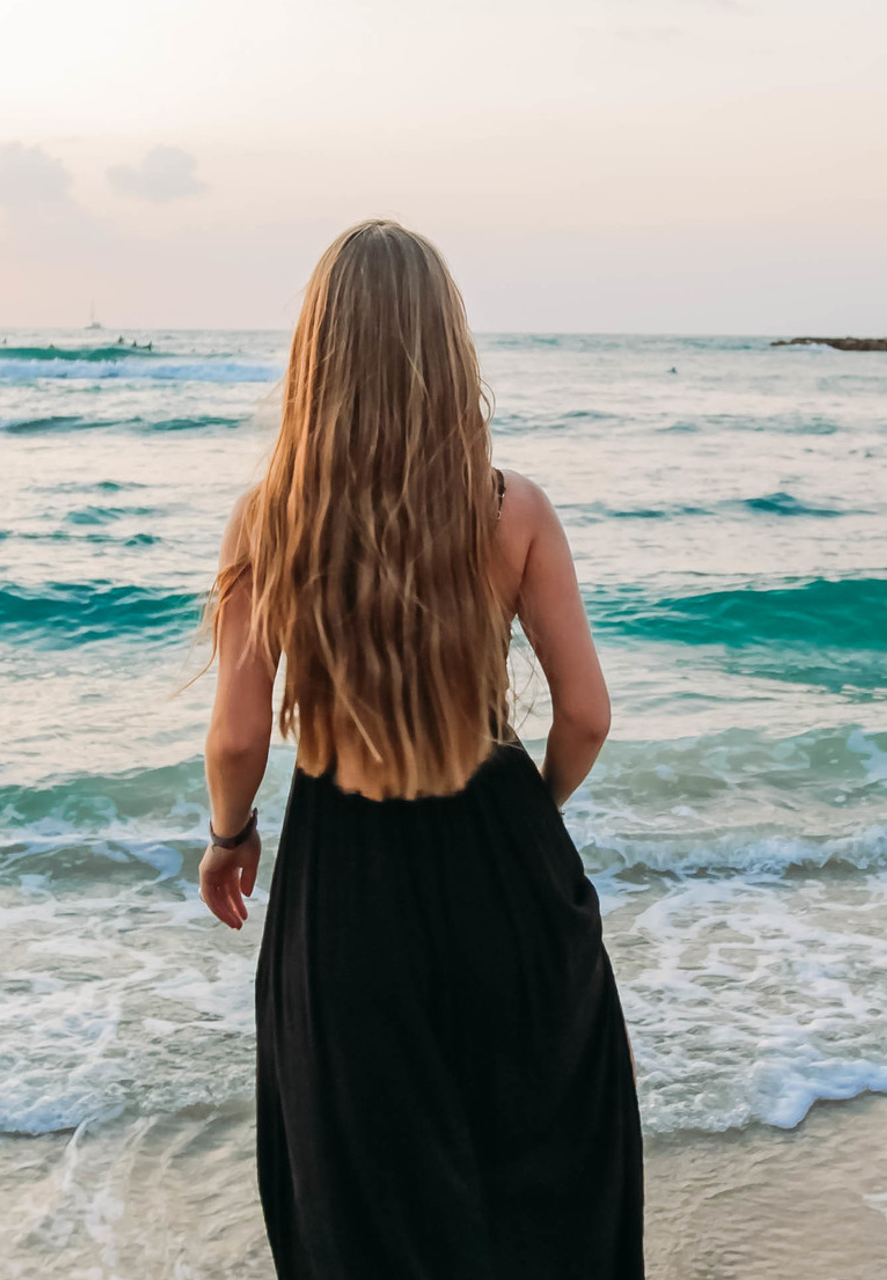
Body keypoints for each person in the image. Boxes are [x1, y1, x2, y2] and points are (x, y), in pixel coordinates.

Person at [199, 219, 643, 1279]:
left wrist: (230, 833)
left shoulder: (273, 520)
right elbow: (586, 714)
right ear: (447, 346)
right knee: (542, 1182)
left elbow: (236, 733)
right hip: (501, 855)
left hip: (347, 883)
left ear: (318, 354)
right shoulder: (510, 508)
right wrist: (529, 818)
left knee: (369, 1202)